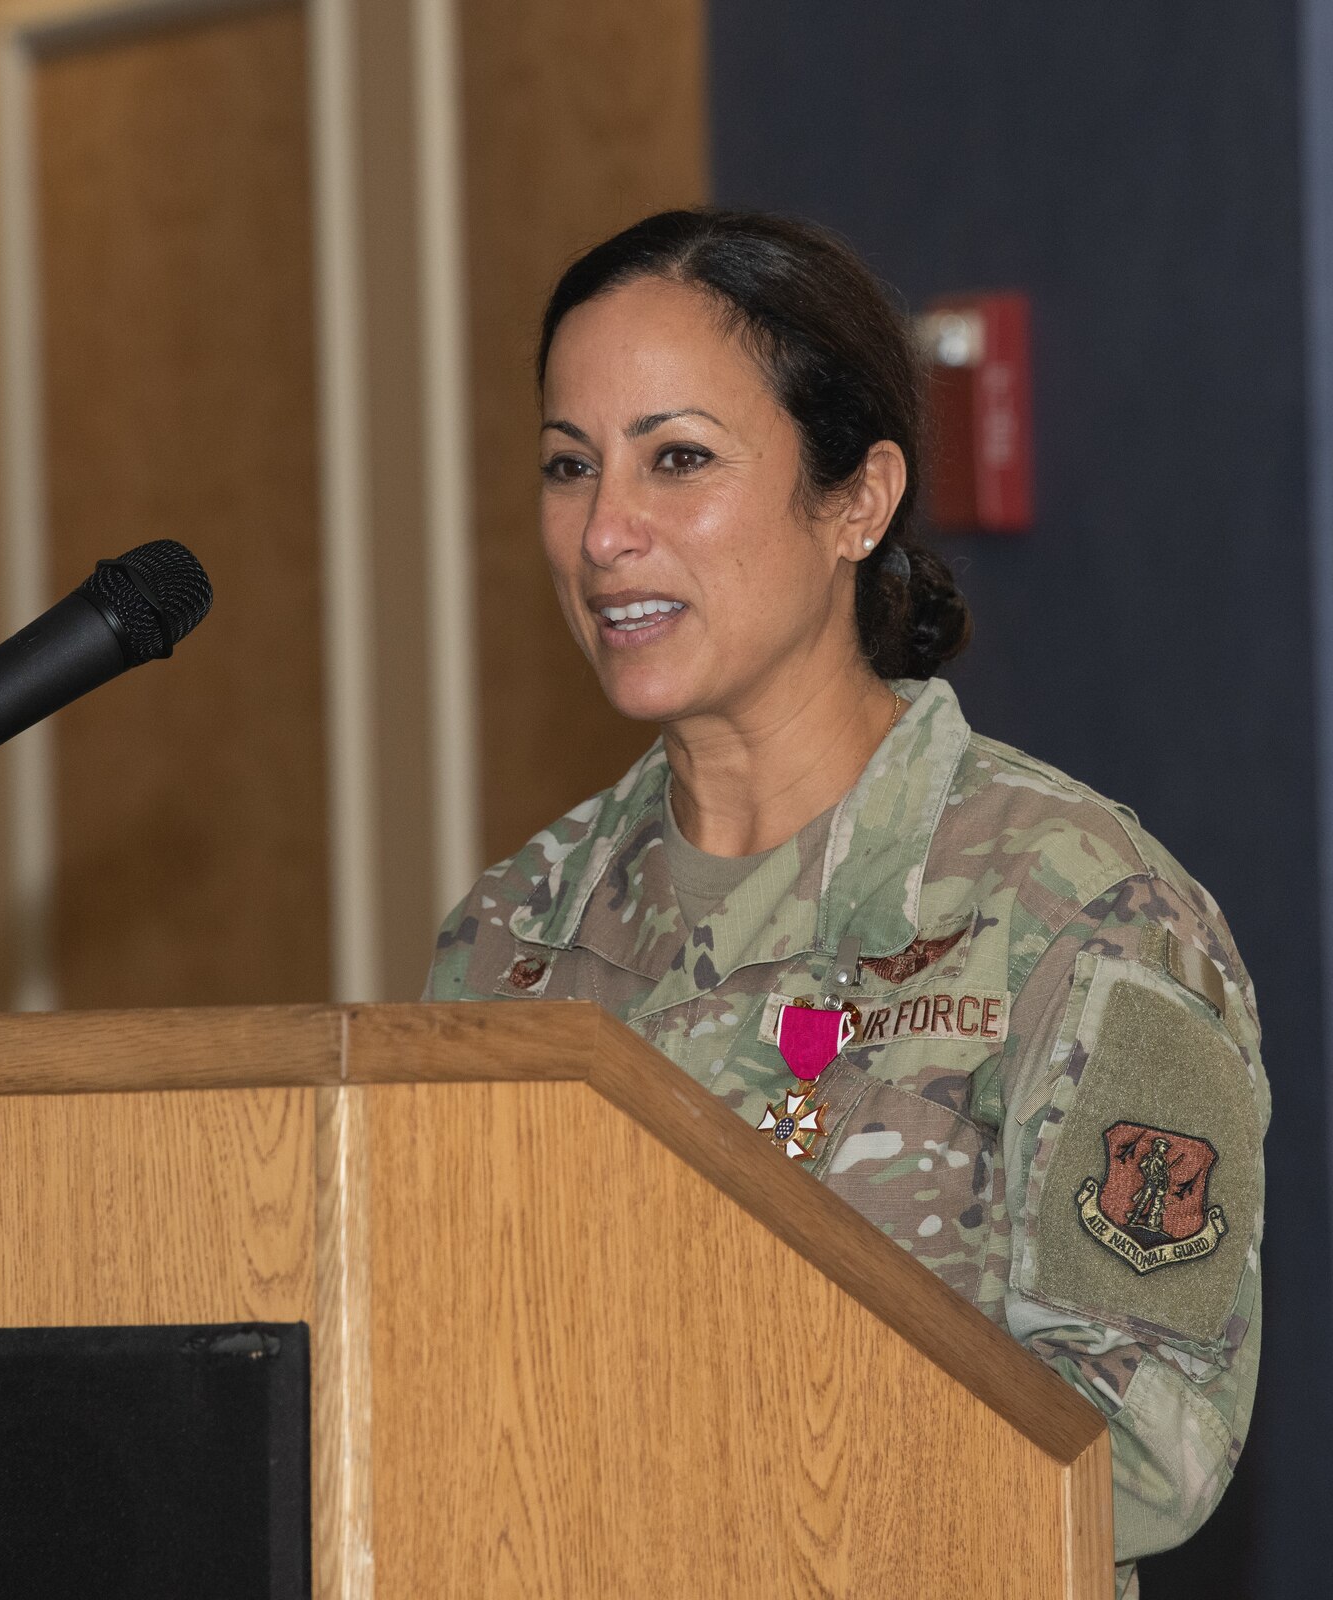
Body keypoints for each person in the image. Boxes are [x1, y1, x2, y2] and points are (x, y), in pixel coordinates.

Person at [424, 209, 1265, 1598]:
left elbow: (1148, 1448)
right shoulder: (514, 934)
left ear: (856, 502)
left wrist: (695, 1453)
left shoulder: (1071, 903)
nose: (605, 531)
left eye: (677, 459)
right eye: (569, 467)